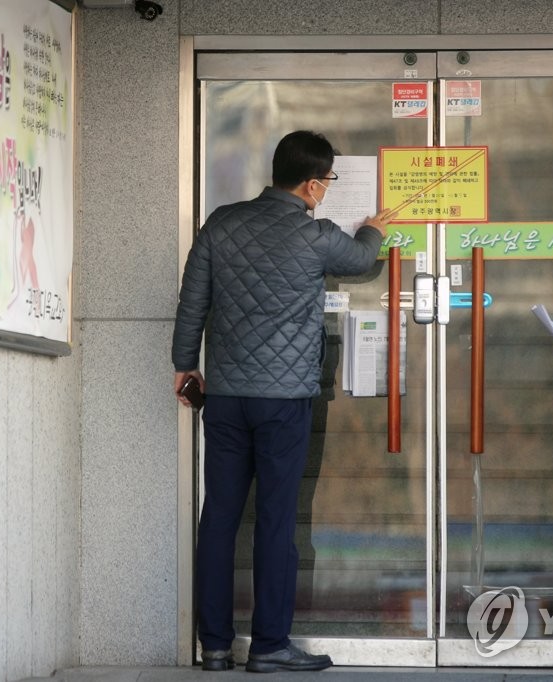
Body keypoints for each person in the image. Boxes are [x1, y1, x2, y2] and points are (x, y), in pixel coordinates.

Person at [172, 130, 396, 673]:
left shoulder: (221, 223)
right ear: (315, 185)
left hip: (225, 397)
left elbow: (192, 299)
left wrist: (185, 365)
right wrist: (375, 228)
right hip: (284, 401)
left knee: (219, 518)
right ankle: (270, 645)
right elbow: (364, 258)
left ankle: (216, 647)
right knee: (275, 521)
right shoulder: (314, 235)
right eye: (328, 181)